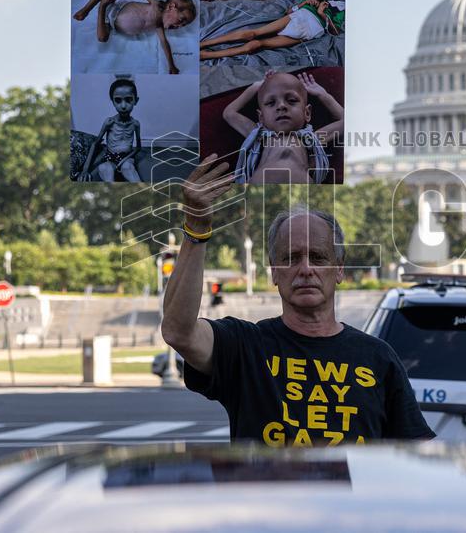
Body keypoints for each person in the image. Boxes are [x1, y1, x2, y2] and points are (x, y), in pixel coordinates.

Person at [162, 159, 435, 446]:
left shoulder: (379, 358)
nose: (306, 269)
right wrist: (196, 228)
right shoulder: (244, 346)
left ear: (339, 268)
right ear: (274, 271)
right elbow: (178, 332)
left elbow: (417, 452)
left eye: (318, 257)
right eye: (290, 258)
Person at [223, 71, 343, 184]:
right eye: (271, 103)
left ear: (307, 113)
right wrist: (255, 86)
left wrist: (323, 94)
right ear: (261, 117)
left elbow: (345, 122)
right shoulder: (259, 136)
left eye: (291, 100)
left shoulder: (311, 139)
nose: (281, 106)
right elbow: (229, 114)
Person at [199, 0, 345, 61]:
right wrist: (303, 4)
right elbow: (288, 12)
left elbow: (335, 31)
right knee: (251, 34)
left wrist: (322, 14)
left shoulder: (338, 9)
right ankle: (204, 44)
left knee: (256, 44)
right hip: (297, 17)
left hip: (311, 31)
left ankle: (208, 55)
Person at [73, 0, 196, 74]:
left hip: (110, 24)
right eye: (181, 21)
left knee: (102, 38)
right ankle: (86, 10)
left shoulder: (158, 25)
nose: (179, 26)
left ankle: (101, 8)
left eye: (183, 26)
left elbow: (165, 44)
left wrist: (171, 66)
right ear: (172, 7)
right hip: (115, 8)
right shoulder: (156, 5)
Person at [78, 78, 142, 182]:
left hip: (127, 158)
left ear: (136, 101)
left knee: (127, 168)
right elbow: (95, 143)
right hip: (110, 157)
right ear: (112, 101)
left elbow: (138, 147)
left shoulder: (135, 124)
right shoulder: (110, 122)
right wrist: (85, 169)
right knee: (104, 168)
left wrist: (124, 160)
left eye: (129, 99)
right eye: (118, 100)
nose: (123, 106)